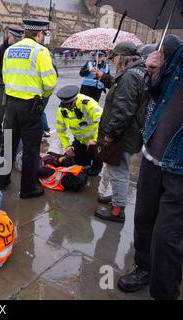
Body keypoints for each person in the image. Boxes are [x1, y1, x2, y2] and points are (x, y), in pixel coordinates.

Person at [117, 35, 183, 300]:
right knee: (143, 219)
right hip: (153, 154)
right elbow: (158, 94)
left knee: (168, 236)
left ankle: (164, 292)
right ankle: (144, 267)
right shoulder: (177, 52)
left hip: (180, 168)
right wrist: (155, 74)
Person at [1, 19, 58, 198]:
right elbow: (50, 82)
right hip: (30, 107)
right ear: (39, 34)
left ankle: (1, 181)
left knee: (8, 145)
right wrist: (42, 94)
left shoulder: (10, 50)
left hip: (10, 105)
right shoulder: (41, 51)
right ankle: (28, 189)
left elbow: (4, 76)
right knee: (31, 149)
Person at [93, 41, 149, 223]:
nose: (114, 61)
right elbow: (122, 90)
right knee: (119, 170)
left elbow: (123, 109)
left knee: (118, 170)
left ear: (123, 57)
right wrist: (104, 77)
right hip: (130, 133)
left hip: (123, 134)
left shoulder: (130, 76)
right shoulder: (137, 72)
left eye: (115, 57)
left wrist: (111, 133)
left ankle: (117, 210)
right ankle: (119, 198)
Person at [0, 26, 24, 140]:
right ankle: (3, 137)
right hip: (13, 88)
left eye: (11, 35)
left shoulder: (1, 50)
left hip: (1, 87)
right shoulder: (22, 50)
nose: (9, 37)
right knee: (9, 116)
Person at [56, 85, 103, 176]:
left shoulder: (88, 103)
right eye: (65, 105)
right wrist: (67, 147)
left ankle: (97, 166)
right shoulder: (62, 109)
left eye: (70, 104)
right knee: (81, 166)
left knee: (95, 168)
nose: (68, 108)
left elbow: (102, 122)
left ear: (76, 99)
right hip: (80, 140)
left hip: (94, 139)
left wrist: (96, 140)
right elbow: (60, 130)